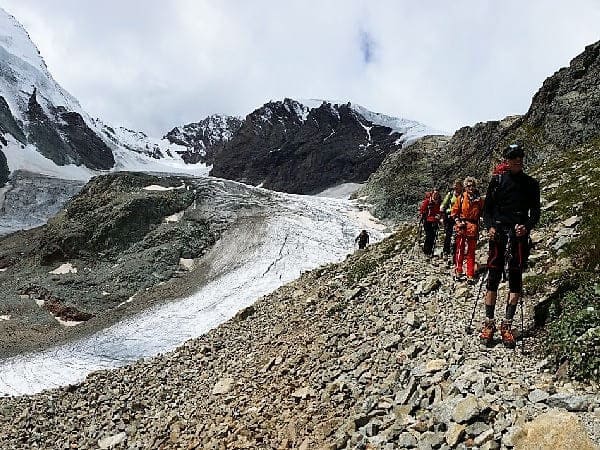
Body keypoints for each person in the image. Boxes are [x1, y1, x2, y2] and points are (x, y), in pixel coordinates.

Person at [480, 144, 540, 348]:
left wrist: (527, 227)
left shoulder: (531, 184)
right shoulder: (496, 182)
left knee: (515, 279)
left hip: (518, 236)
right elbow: (487, 210)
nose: (518, 160)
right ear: (506, 160)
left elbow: (536, 214)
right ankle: (489, 323)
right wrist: (489, 227)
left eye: (520, 156)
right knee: (493, 277)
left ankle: (507, 324)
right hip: (498, 234)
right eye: (514, 156)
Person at [451, 177, 484, 284]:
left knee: (471, 252)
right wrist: (458, 222)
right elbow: (454, 212)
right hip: (462, 226)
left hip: (473, 227)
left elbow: (482, 213)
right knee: (460, 250)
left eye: (472, 185)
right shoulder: (461, 198)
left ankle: (470, 274)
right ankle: (458, 271)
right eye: (468, 186)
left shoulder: (479, 200)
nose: (471, 187)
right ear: (465, 187)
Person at [440, 179, 464, 259]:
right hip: (450, 217)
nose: (456, 188)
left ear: (461, 187)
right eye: (455, 186)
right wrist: (443, 212)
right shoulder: (450, 194)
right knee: (448, 234)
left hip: (459, 217)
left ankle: (455, 253)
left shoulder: (464, 195)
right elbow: (443, 205)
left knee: (457, 235)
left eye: (457, 186)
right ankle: (446, 251)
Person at [418, 189, 441, 256]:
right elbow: (422, 210)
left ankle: (429, 251)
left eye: (437, 194)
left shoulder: (438, 202)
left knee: (433, 236)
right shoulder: (428, 201)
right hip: (427, 221)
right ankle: (427, 251)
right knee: (429, 236)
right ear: (432, 194)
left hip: (435, 221)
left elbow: (439, 211)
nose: (436, 195)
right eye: (435, 194)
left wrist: (439, 216)